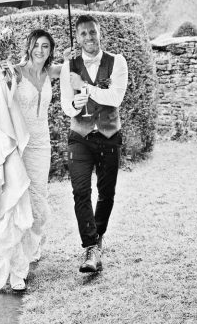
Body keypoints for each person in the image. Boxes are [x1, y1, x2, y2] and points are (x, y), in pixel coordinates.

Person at [0, 29, 62, 292]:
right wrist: (1, 78)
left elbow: (79, 67)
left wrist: (76, 59)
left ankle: (29, 250)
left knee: (39, 204)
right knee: (17, 204)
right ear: (28, 47)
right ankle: (18, 270)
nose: (40, 50)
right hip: (19, 144)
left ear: (51, 51)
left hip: (42, 146)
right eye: (36, 45)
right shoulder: (14, 71)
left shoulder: (51, 72)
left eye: (46, 46)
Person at [60, 15, 128, 273]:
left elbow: (115, 97)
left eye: (92, 32)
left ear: (100, 33)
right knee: (80, 191)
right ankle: (90, 246)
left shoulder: (117, 62)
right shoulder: (70, 66)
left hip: (109, 135)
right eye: (83, 34)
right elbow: (66, 104)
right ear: (77, 38)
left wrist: (85, 87)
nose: (89, 37)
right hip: (80, 136)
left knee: (106, 193)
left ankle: (98, 238)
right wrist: (74, 105)